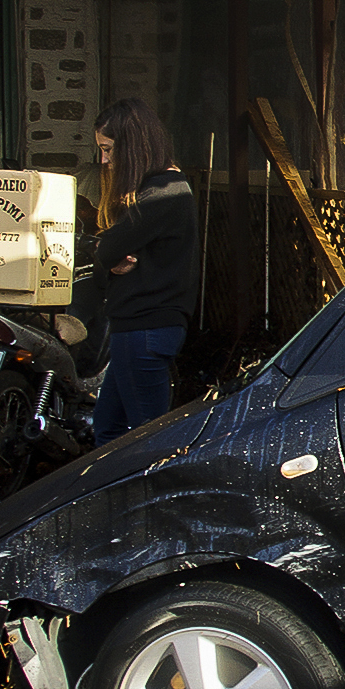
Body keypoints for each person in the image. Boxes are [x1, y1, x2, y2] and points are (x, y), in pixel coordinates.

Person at [92, 98, 197, 443]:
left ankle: (156, 497)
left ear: (132, 145)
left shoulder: (164, 193)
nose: (104, 161)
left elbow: (106, 247)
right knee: (108, 430)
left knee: (147, 442)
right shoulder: (157, 190)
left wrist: (109, 255)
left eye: (108, 150)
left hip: (146, 327)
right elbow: (111, 249)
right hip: (139, 328)